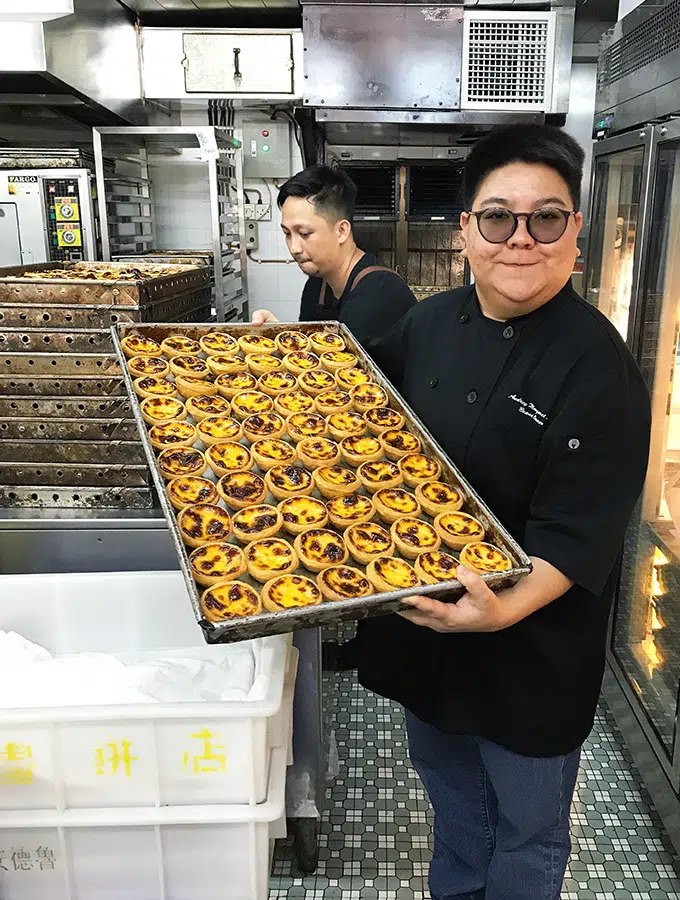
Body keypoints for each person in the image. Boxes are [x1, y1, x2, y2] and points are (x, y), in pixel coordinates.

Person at [354, 124, 651, 900]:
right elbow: (350, 392)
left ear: (576, 230)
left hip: (531, 658)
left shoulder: (599, 366)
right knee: (454, 818)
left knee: (525, 837)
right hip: (430, 640)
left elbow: (581, 532)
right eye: (498, 218)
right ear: (465, 232)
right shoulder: (429, 322)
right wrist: (272, 360)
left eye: (546, 218)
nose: (521, 239)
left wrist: (498, 613)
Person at [251, 164, 416, 343]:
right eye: (287, 233)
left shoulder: (378, 293)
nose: (294, 248)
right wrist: (280, 337)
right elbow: (310, 359)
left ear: (341, 231)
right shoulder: (316, 286)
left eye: (304, 233)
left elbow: (351, 368)